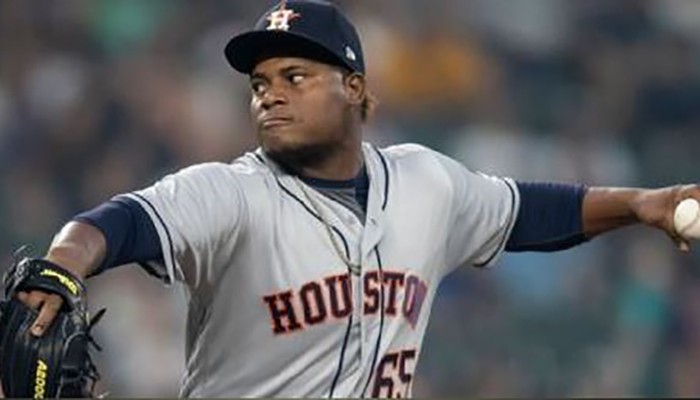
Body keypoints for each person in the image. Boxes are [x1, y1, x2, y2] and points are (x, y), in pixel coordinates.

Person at [5, 0, 699, 397]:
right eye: (260, 83)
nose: (270, 95)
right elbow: (114, 224)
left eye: (295, 76)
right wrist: (64, 267)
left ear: (356, 89)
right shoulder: (230, 193)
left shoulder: (426, 183)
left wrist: (644, 203)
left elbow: (532, 212)